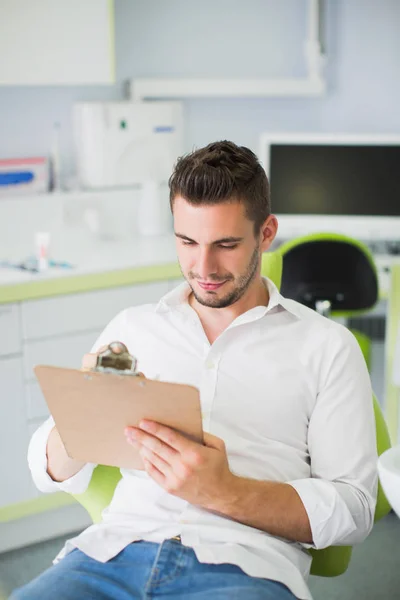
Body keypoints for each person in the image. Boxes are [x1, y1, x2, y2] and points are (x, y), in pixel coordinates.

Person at [12, 141, 378, 600]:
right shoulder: (134, 327)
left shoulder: (326, 346)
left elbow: (355, 510)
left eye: (225, 245)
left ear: (266, 234)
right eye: (187, 242)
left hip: (242, 568)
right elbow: (46, 470)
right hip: (109, 557)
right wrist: (82, 415)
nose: (203, 268)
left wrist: (225, 491)